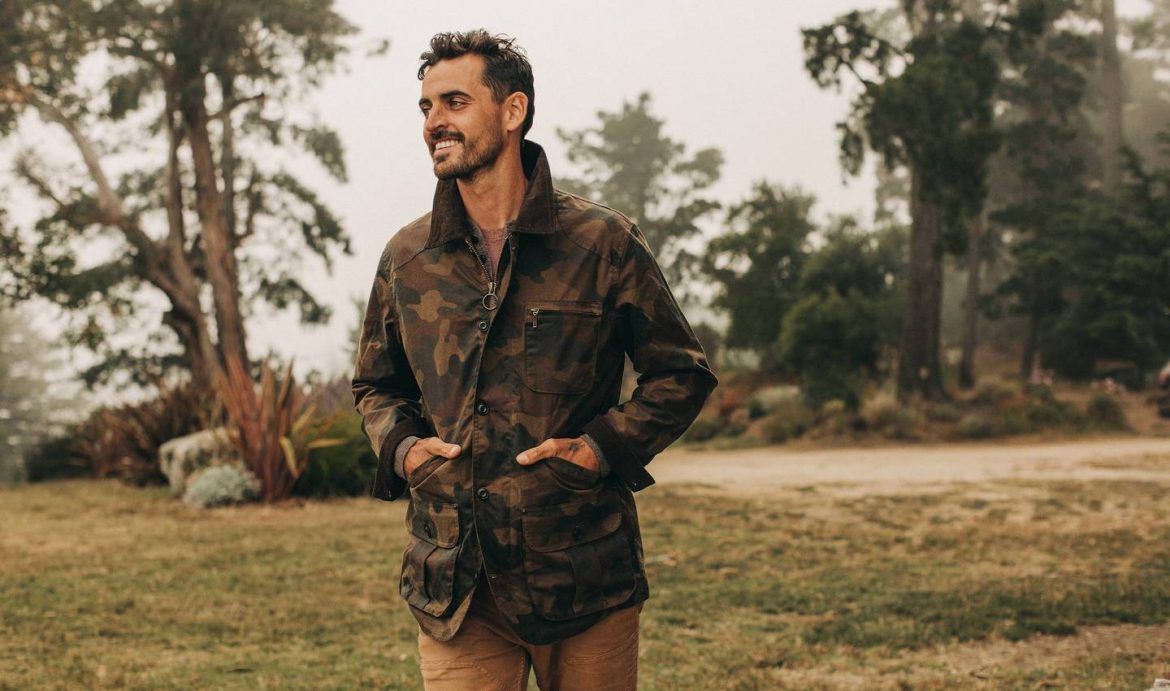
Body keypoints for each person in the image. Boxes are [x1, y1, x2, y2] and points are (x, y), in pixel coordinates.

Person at [352, 29, 717, 690]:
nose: (434, 122)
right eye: (427, 107)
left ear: (512, 110)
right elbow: (375, 384)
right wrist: (403, 449)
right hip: (456, 585)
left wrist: (601, 448)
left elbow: (680, 372)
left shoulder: (601, 243)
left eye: (455, 102)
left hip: (581, 573)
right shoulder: (409, 258)